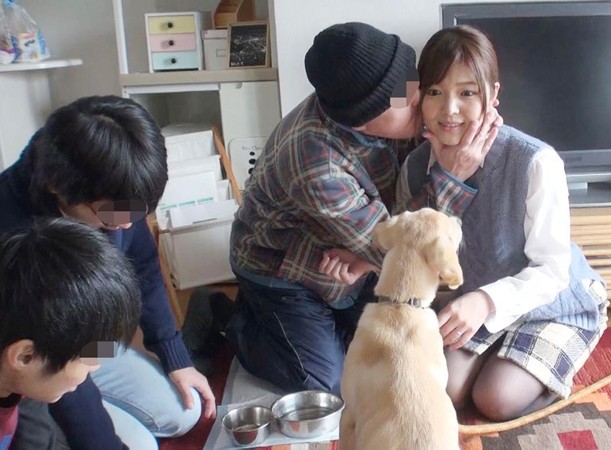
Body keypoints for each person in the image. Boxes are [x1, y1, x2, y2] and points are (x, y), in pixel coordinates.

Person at [394, 25, 610, 421]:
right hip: (472, 301)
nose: (449, 110)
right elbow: (416, 256)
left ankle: (559, 361)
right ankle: (499, 354)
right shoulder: (415, 165)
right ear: (419, 96)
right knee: (447, 390)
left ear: (493, 94)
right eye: (435, 92)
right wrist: (449, 180)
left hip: (551, 300)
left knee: (495, 399)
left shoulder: (535, 161)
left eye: (467, 93)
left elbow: (552, 271)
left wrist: (486, 301)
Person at [0, 95, 215, 450]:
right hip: (46, 361)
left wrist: (174, 355)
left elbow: (143, 266)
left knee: (183, 413)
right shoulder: (17, 239)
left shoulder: (111, 188)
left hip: (86, 343)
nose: (127, 225)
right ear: (58, 189)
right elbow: (49, 360)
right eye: (113, 215)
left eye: (137, 213)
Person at [226, 21, 425, 394]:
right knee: (326, 381)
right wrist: (455, 170)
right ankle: (230, 322)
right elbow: (400, 252)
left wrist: (365, 260)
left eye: (415, 83)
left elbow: (393, 239)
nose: (421, 101)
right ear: (363, 121)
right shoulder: (317, 161)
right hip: (278, 266)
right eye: (406, 99)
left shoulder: (359, 101)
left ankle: (316, 326)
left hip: (346, 254)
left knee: (398, 348)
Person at [0, 218, 142, 450]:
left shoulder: (19, 374)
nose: (96, 366)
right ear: (25, 356)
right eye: (88, 358)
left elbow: (38, 432)